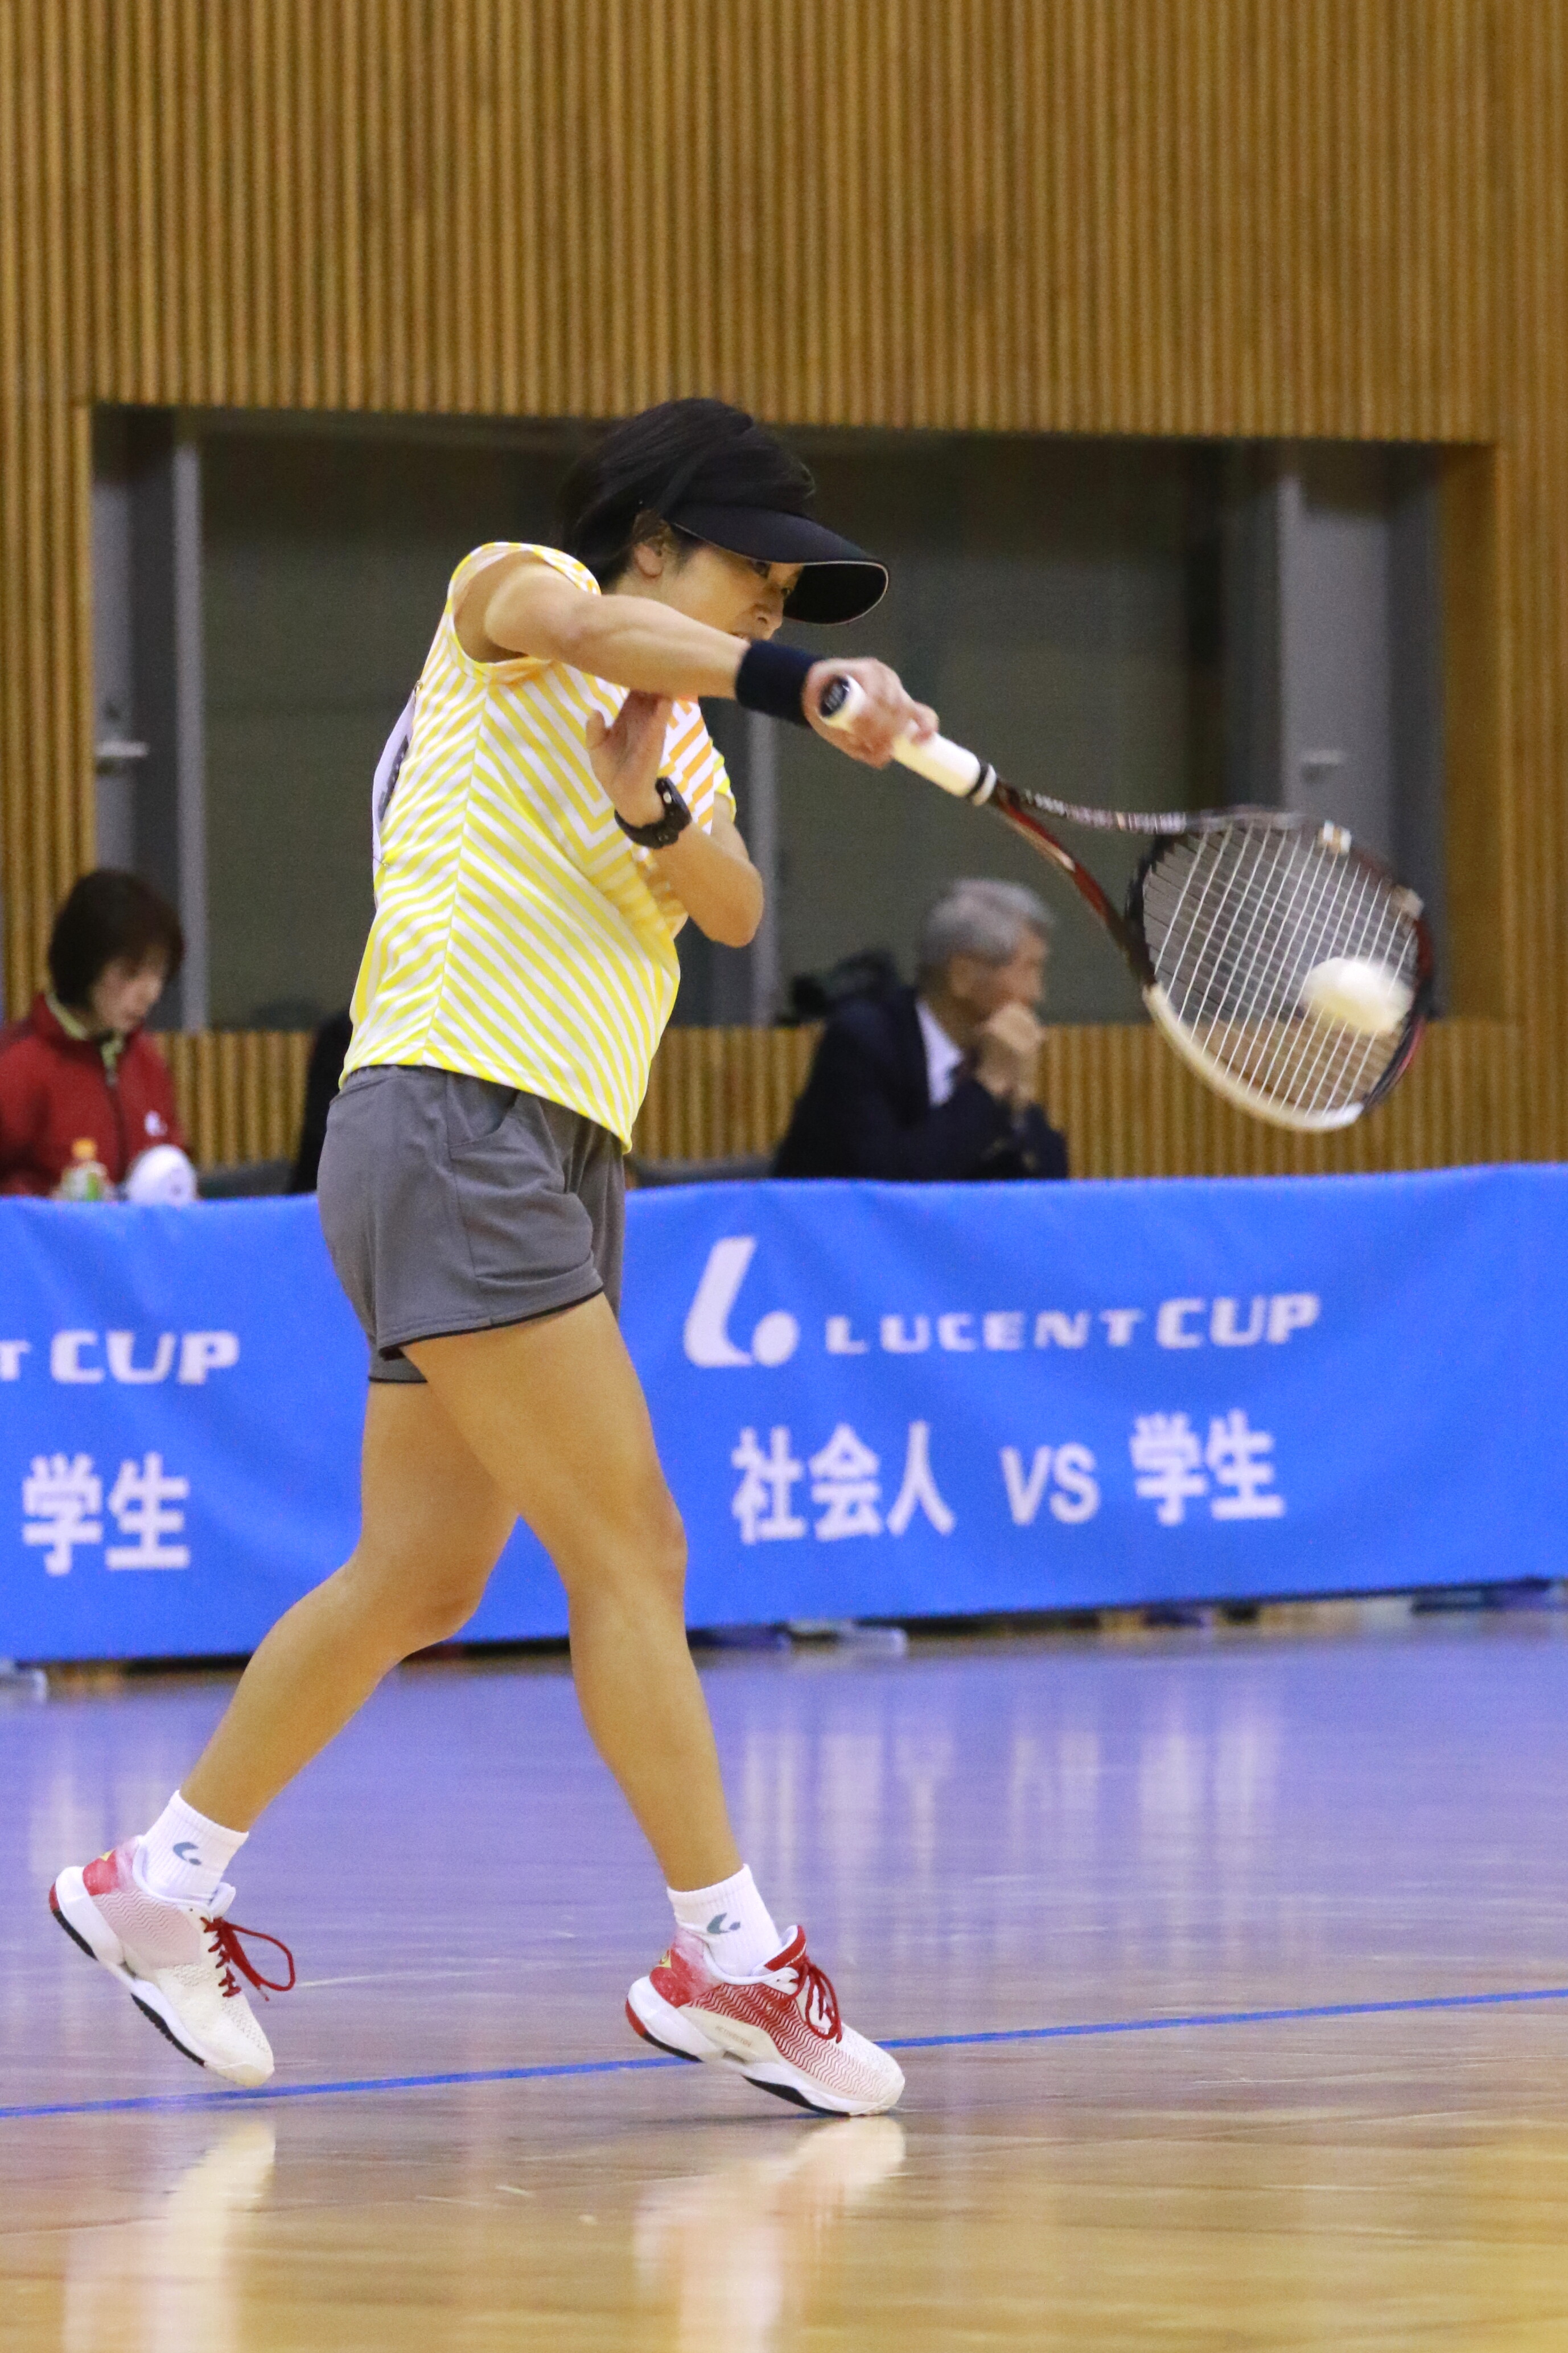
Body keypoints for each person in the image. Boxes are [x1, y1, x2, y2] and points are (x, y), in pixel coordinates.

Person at [50, 398, 934, 2117]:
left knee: (420, 1577)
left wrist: (652, 801)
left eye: (786, 597)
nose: (771, 603)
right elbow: (592, 628)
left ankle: (156, 1883)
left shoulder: (678, 744)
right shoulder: (513, 594)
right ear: (655, 540)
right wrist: (802, 685)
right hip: (458, 1118)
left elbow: (734, 906)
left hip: (546, 1153)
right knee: (633, 1546)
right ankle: (727, 1957)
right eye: (754, 573)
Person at [774, 880, 1069, 1181]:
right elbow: (888, 1188)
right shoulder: (861, 1043)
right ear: (963, 974)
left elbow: (1050, 1189)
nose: (1038, 994)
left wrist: (1017, 1110)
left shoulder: (990, 1052)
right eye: (1029, 969)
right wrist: (986, 1087)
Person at [0, 869, 187, 1197]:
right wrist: (45, 1206)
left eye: (158, 973)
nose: (151, 993)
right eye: (131, 973)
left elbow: (173, 1166)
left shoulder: (147, 1061)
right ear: (86, 964)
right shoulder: (17, 1066)